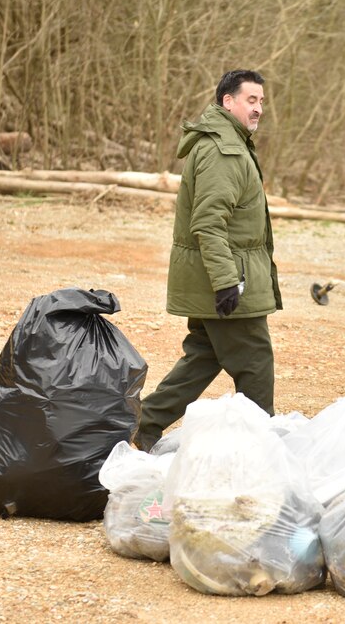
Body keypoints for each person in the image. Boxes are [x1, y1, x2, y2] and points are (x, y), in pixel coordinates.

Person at [132, 69, 282, 452]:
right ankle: (259, 449)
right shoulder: (223, 150)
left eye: (262, 101)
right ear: (227, 101)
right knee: (255, 363)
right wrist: (226, 281)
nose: (259, 108)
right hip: (228, 280)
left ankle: (143, 424)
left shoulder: (230, 141)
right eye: (251, 100)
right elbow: (209, 222)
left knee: (203, 356)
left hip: (220, 276)